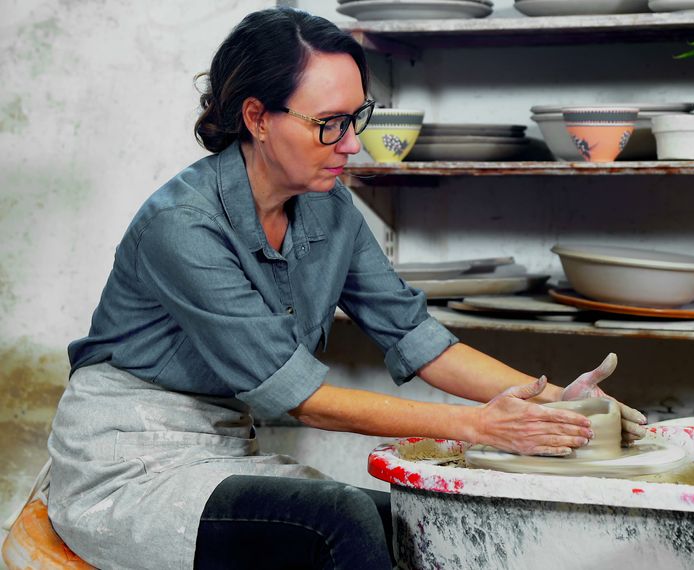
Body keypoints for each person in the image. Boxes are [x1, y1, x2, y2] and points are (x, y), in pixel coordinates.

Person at [44, 7, 647, 570]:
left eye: (355, 118)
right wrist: (474, 427)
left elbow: (415, 336)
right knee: (341, 520)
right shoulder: (183, 227)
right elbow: (298, 396)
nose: (352, 144)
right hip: (127, 465)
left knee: (420, 525)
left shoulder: (327, 206)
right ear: (257, 117)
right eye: (328, 124)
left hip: (222, 448)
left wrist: (555, 404)